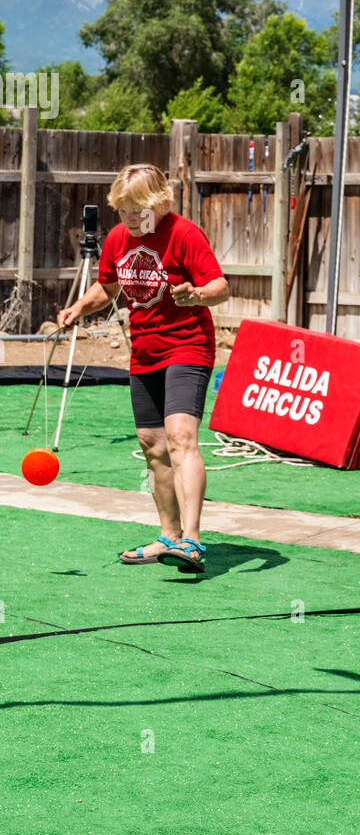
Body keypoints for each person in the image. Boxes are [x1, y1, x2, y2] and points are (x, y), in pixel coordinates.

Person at [57, 165, 229, 574]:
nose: (129, 219)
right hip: (145, 352)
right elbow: (109, 286)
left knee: (180, 436)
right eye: (123, 211)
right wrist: (79, 307)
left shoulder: (184, 234)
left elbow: (220, 287)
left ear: (160, 204)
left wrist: (196, 294)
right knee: (153, 445)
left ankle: (192, 540)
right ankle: (167, 536)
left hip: (188, 346)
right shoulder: (118, 239)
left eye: (137, 211)